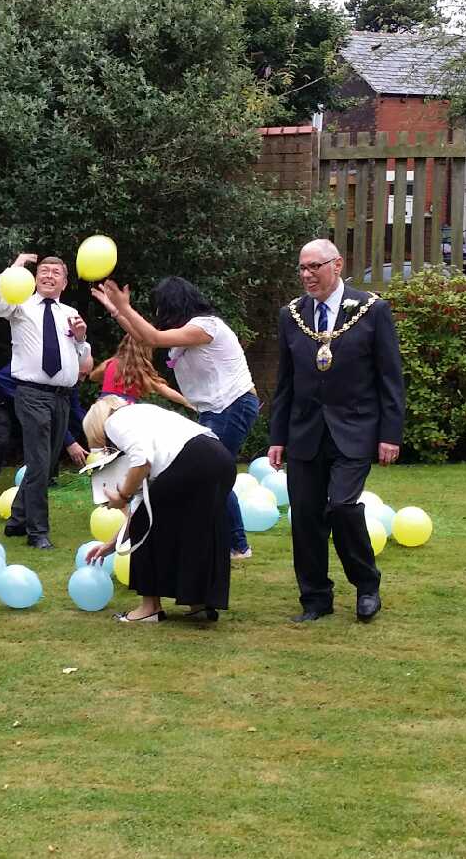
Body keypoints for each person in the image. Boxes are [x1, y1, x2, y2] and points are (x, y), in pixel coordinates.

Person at [266, 239, 406, 623]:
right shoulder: (291, 315)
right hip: (305, 432)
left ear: (337, 265)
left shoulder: (371, 310)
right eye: (302, 268)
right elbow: (286, 383)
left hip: (355, 429)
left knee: (343, 507)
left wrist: (390, 433)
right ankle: (315, 599)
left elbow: (390, 378)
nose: (307, 275)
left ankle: (366, 586)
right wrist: (278, 437)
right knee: (306, 516)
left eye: (315, 267)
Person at [91, 276, 259, 559]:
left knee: (212, 474)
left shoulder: (207, 327)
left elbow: (152, 338)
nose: (158, 314)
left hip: (232, 406)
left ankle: (236, 544)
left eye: (159, 307)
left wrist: (123, 307)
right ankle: (229, 542)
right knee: (212, 473)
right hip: (213, 411)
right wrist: (118, 311)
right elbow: (143, 337)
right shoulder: (185, 334)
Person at [81, 395, 235, 624]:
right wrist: (112, 544)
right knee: (197, 530)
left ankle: (149, 608)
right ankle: (200, 604)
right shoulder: (147, 415)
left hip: (192, 461)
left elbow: (141, 461)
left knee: (146, 525)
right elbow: (143, 504)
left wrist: (122, 495)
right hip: (220, 459)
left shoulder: (115, 421)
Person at [0, 253, 93, 549]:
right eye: (43, 271)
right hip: (31, 395)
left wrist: (81, 339)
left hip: (62, 398)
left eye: (55, 272)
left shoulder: (70, 313)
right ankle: (37, 532)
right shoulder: (18, 305)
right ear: (34, 277)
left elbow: (84, 364)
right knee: (41, 463)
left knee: (45, 462)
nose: (48, 275)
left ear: (64, 283)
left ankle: (17, 520)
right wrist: (15, 267)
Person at [0, 364, 89, 489]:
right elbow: (46, 417)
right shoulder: (51, 372)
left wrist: (95, 429)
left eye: (86, 375)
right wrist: (70, 443)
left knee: (54, 431)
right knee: (0, 440)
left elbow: (75, 410)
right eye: (82, 374)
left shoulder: (69, 379)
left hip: (20, 398)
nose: (83, 379)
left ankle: (47, 480)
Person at [88, 332, 194, 409]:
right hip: (123, 409)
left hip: (101, 407)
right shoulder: (139, 370)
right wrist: (187, 402)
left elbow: (93, 376)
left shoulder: (110, 363)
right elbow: (164, 390)